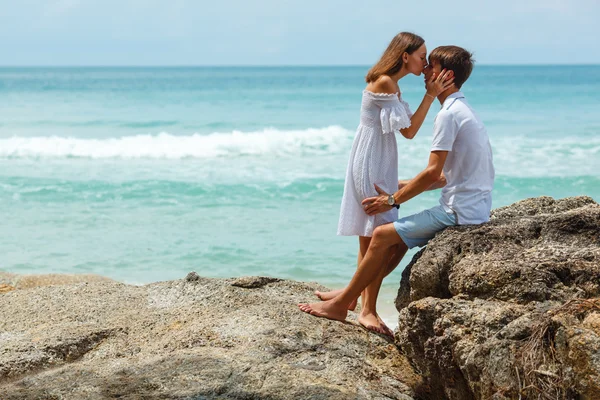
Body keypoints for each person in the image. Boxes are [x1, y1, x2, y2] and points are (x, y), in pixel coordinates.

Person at [300, 45, 495, 334]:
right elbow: (443, 177)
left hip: (458, 212)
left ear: (446, 75)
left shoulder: (448, 115)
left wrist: (392, 200)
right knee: (399, 238)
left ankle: (341, 305)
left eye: (432, 66)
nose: (426, 70)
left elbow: (432, 173)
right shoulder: (462, 109)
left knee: (380, 235)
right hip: (471, 206)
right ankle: (353, 295)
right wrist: (398, 187)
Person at [314, 32, 454, 336]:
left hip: (377, 159)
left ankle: (350, 297)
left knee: (369, 239)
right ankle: (366, 309)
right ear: (405, 56)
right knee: (376, 236)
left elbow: (403, 130)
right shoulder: (386, 83)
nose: (425, 62)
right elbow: (409, 132)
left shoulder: (392, 83)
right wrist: (430, 95)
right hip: (372, 163)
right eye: (422, 56)